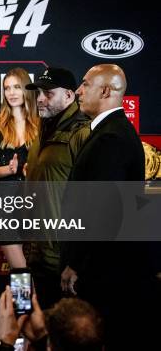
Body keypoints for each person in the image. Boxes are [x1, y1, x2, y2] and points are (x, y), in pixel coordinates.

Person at [61, 64, 155, 349]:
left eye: (86, 84)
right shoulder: (109, 132)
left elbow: (103, 210)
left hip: (103, 271)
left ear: (105, 91)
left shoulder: (111, 137)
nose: (78, 90)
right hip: (104, 266)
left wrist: (76, 263)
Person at [23, 67, 90, 309]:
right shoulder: (41, 129)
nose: (40, 98)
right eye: (39, 92)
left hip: (64, 259)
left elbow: (92, 203)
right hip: (37, 253)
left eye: (49, 93)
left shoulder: (83, 132)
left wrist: (76, 261)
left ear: (69, 96)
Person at [0, 68, 39, 268]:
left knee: (37, 270)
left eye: (17, 87)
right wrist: (7, 170)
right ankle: (23, 300)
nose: (11, 93)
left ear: (27, 90)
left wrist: (34, 171)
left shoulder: (41, 123)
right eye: (7, 88)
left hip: (35, 204)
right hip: (4, 206)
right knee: (21, 270)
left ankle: (32, 300)